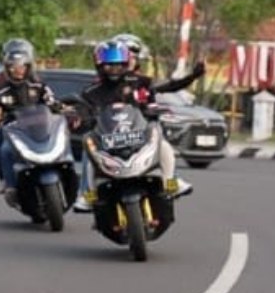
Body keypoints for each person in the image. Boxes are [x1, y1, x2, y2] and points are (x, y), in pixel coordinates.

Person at [75, 39, 192, 209]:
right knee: (88, 145)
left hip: (138, 134)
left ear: (126, 63)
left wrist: (192, 77)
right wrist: (80, 118)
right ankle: (87, 194)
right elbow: (81, 111)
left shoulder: (139, 81)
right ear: (99, 65)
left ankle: (171, 182)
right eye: (109, 65)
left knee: (161, 139)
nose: (114, 69)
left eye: (118, 64)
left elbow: (167, 87)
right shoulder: (91, 92)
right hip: (108, 141)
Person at [0, 38, 61, 209]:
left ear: (29, 66)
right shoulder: (0, 90)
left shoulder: (39, 85)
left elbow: (52, 102)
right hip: (15, 131)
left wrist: (64, 109)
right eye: (13, 66)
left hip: (40, 129)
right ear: (7, 67)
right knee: (4, 149)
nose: (18, 70)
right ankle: (9, 184)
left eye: (22, 66)